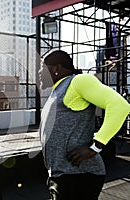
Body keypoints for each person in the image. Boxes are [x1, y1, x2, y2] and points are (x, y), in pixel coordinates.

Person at [38, 49, 130, 200]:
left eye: (43, 66)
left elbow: (120, 105)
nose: (39, 72)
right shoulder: (57, 91)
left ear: (56, 68)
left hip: (78, 175)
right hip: (62, 174)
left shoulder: (78, 81)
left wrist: (96, 147)